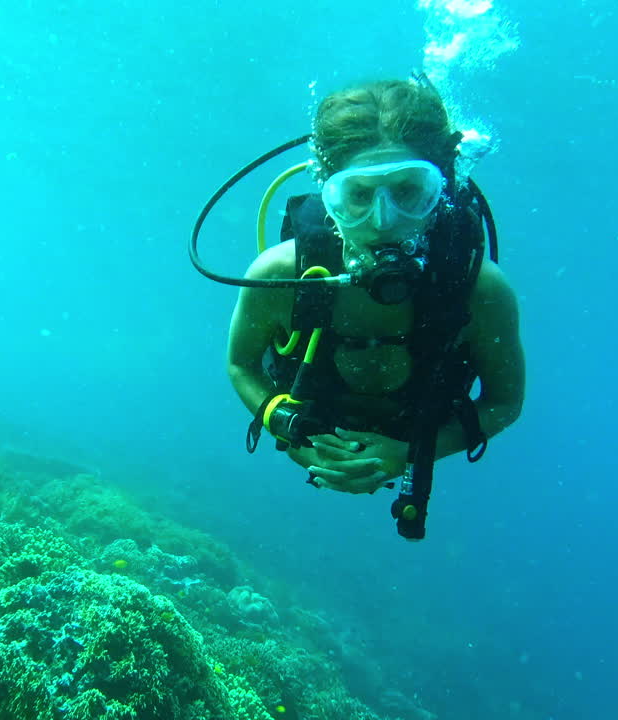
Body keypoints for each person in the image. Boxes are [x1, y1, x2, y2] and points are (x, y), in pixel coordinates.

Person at [221, 77, 525, 533]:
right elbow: (241, 365)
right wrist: (294, 434)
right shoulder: (278, 276)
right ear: (328, 192)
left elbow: (504, 401)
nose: (384, 221)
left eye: (408, 192)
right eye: (358, 196)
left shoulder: (479, 289)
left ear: (441, 188)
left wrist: (407, 453)